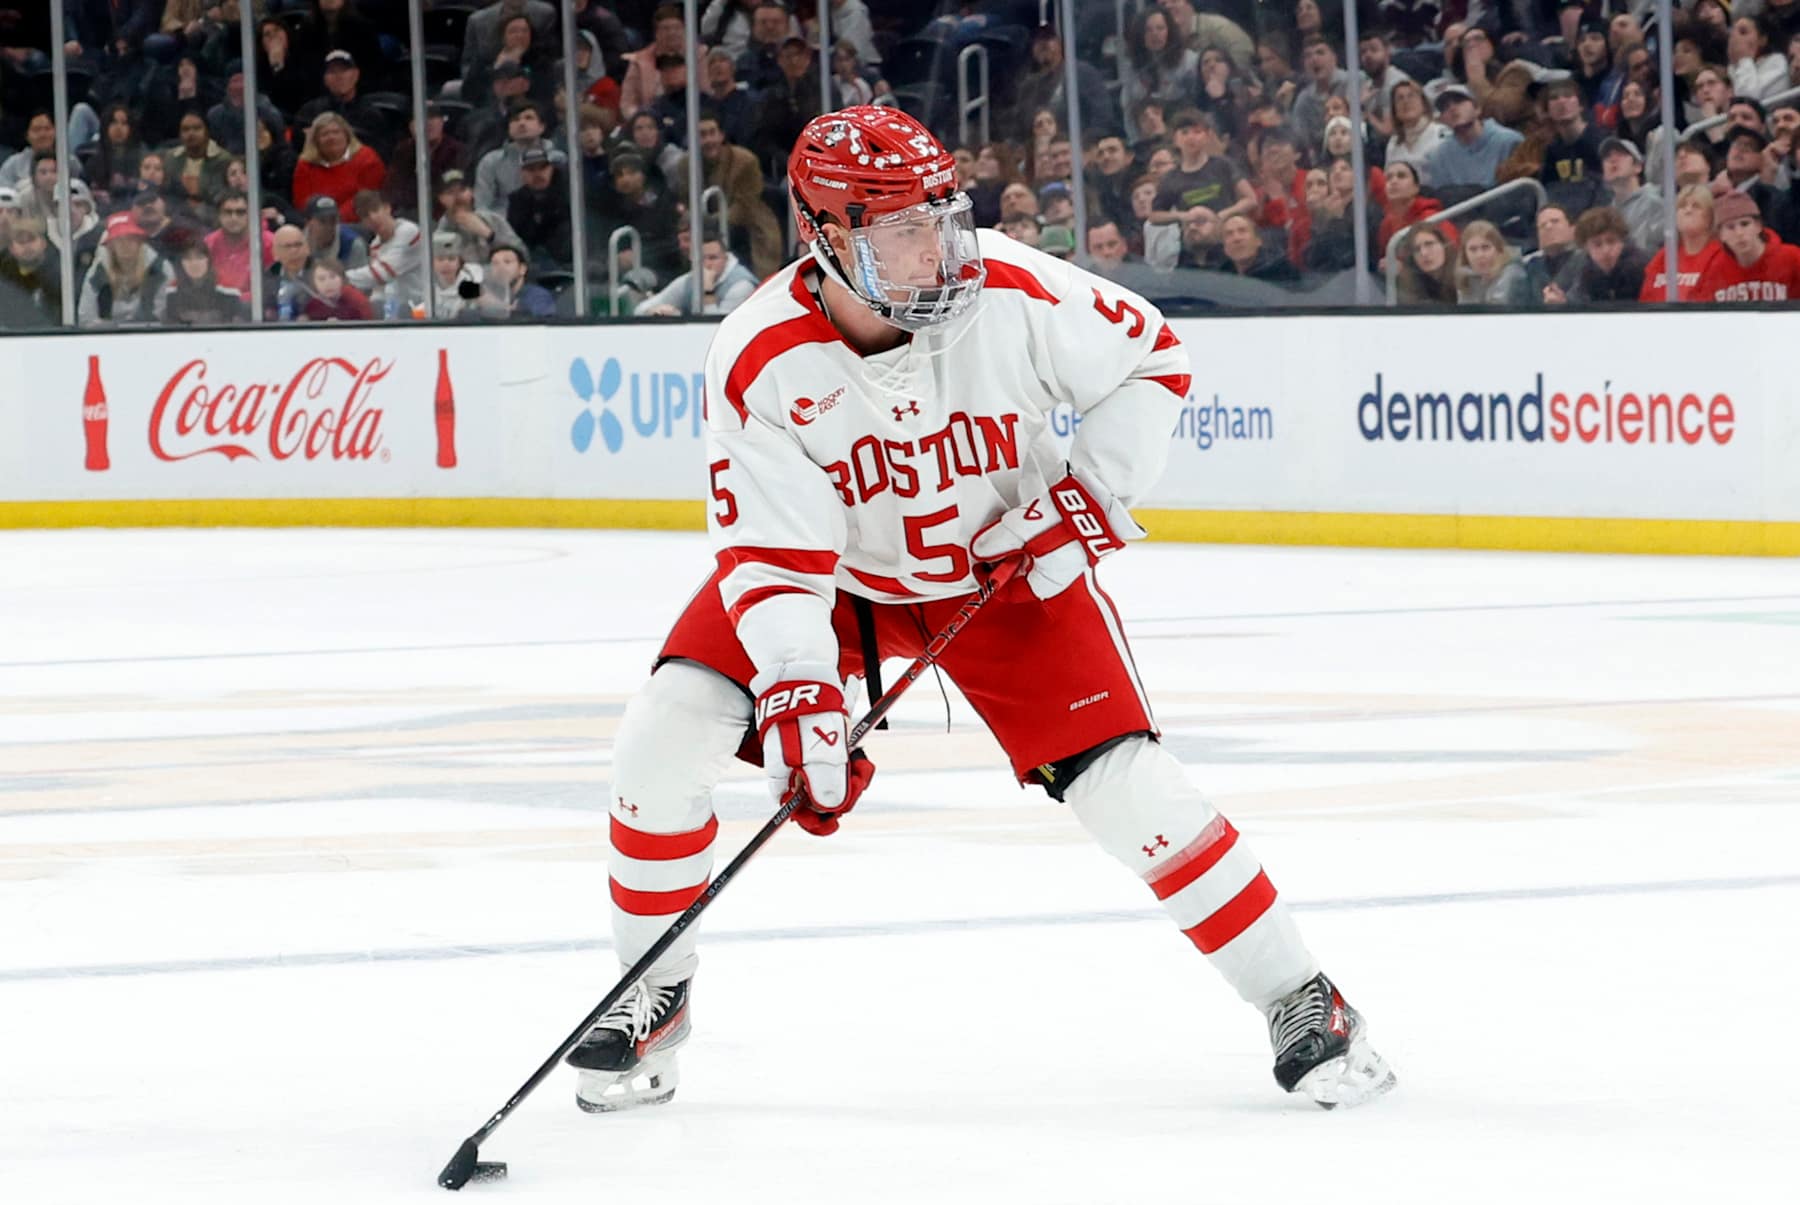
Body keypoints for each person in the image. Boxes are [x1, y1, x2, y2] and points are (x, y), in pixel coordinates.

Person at [559, 106, 1393, 1120]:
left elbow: (1155, 360)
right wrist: (798, 692)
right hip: (845, 585)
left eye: (943, 216)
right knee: (664, 733)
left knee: (1129, 789)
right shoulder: (759, 355)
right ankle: (652, 989)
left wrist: (1081, 499)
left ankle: (1303, 995)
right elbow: (775, 554)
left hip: (1008, 566)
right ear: (826, 233)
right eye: (902, 228)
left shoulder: (1013, 285)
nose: (938, 249)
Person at [1696, 188, 1800, 300]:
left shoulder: (1791, 258)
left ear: (1759, 226)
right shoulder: (1715, 268)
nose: (1739, 233)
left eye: (1745, 224)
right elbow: (1698, 309)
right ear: (1720, 235)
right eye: (1730, 227)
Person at [77, 210, 173, 327]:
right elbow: (86, 318)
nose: (125, 245)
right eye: (119, 240)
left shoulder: (161, 269)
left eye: (130, 239)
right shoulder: (97, 272)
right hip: (108, 338)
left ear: (139, 241)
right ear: (111, 245)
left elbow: (165, 317)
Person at [634, 226, 759, 315]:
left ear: (725, 258)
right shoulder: (688, 281)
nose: (707, 264)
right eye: (701, 259)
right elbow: (639, 310)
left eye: (713, 258)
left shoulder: (741, 285)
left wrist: (708, 292)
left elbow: (717, 329)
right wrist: (654, 311)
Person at [1424, 84, 1524, 192]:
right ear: (1442, 120)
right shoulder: (1438, 157)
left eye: (1459, 101)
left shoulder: (1510, 140)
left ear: (1477, 108)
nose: (1452, 108)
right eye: (1444, 107)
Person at [292, 112, 385, 222]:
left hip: (359, 221)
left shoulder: (367, 158)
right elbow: (302, 202)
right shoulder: (305, 164)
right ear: (316, 141)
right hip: (317, 222)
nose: (331, 137)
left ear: (347, 135)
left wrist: (335, 219)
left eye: (336, 132)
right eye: (324, 134)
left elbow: (366, 199)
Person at [1639, 185, 1721, 301]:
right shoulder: (1663, 257)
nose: (1688, 210)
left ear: (1710, 217)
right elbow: (1646, 299)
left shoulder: (1719, 256)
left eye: (1696, 206)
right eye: (1682, 206)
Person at [346, 189, 424, 313]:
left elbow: (383, 273)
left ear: (387, 208)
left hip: (425, 306)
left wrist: (342, 278)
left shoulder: (409, 231)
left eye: (375, 210)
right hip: (399, 309)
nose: (372, 218)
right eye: (365, 215)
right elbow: (379, 290)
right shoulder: (375, 245)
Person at [1550, 207, 1649, 303]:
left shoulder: (1638, 268)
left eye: (1611, 241)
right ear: (1586, 248)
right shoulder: (1588, 273)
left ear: (1622, 241)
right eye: (1597, 244)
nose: (1606, 250)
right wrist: (1563, 304)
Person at [1599, 138, 1662, 254]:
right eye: (1607, 157)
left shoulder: (1655, 200)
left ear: (1637, 167)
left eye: (1621, 154)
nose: (1613, 160)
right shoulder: (1606, 214)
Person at [163, 239, 247, 325]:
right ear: (181, 263)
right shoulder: (173, 290)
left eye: (199, 258)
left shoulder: (227, 289)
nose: (194, 263)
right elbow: (171, 325)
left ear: (208, 260)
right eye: (188, 259)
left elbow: (234, 326)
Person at [0, 215, 62, 327]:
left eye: (31, 239)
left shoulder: (61, 272)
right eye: (21, 242)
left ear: (43, 243)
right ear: (11, 249)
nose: (27, 247)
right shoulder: (4, 277)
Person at [1455, 219, 1529, 305]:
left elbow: (1496, 311)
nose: (1480, 255)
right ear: (1465, 253)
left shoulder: (1512, 273)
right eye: (1473, 249)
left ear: (1498, 249)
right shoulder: (1466, 277)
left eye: (1485, 247)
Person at [476, 241, 555, 318]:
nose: (500, 267)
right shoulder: (485, 295)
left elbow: (539, 323)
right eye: (495, 263)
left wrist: (499, 306)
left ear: (522, 269)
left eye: (507, 262)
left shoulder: (537, 296)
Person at [1395, 222, 1458, 304]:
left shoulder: (1463, 278)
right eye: (1417, 249)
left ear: (1444, 245)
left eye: (1429, 244)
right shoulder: (1411, 284)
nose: (1424, 253)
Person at [300, 256, 374, 321]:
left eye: (333, 277)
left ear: (342, 279)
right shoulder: (312, 306)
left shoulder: (354, 303)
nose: (328, 283)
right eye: (321, 279)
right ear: (314, 284)